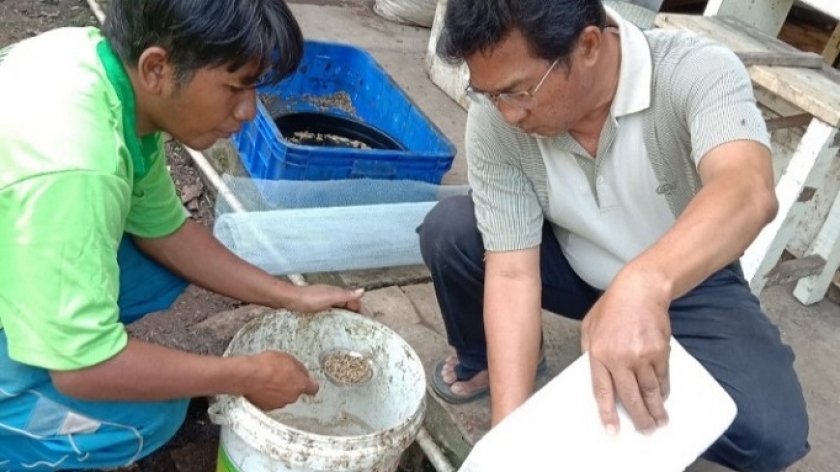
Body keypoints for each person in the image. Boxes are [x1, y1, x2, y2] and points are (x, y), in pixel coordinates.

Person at [417, 1, 810, 470]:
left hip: (681, 282)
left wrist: (644, 284)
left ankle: (639, 381)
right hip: (570, 261)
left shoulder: (694, 69)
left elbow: (747, 190)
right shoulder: (497, 120)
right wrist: (509, 444)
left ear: (587, 45)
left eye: (519, 92)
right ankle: (486, 359)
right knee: (453, 231)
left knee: (772, 433)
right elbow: (512, 276)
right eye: (490, 94)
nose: (508, 114)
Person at [0, 0, 366, 469]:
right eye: (235, 86)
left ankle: (55, 333)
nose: (249, 110)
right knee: (149, 417)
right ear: (157, 67)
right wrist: (244, 374)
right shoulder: (78, 167)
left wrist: (289, 296)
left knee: (153, 266)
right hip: (53, 218)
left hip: (37, 230)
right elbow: (82, 370)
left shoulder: (103, 71)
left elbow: (164, 232)